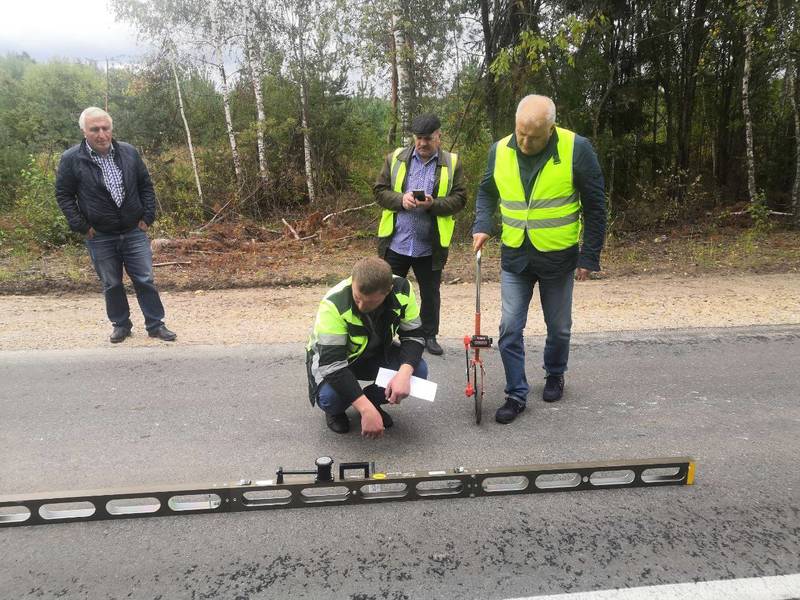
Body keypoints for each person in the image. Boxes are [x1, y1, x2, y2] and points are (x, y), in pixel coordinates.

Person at [472, 94, 606, 424]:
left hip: (558, 257)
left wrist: (589, 254)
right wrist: (482, 224)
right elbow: (487, 192)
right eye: (520, 133)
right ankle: (516, 394)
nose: (525, 141)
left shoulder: (577, 149)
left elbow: (595, 205)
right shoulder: (500, 150)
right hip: (516, 255)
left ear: (550, 128)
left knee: (559, 329)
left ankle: (555, 373)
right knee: (509, 329)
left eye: (533, 135)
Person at [55, 107, 176, 343]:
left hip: (133, 231)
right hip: (99, 235)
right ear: (84, 131)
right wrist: (82, 226)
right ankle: (121, 325)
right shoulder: (71, 159)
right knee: (111, 283)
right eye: (94, 129)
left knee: (145, 279)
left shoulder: (129, 152)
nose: (101, 134)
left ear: (111, 128)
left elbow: (145, 186)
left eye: (105, 128)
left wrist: (148, 217)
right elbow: (64, 195)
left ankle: (155, 324)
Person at [374, 113, 467, 356]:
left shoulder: (452, 163)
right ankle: (385, 336)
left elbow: (460, 199)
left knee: (430, 294)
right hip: (396, 243)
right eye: (418, 138)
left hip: (430, 245)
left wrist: (433, 204)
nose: (423, 143)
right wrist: (400, 199)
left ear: (439, 136)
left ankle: (429, 335)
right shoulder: (394, 158)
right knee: (388, 291)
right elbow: (380, 191)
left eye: (428, 138)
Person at [306, 256, 428, 437]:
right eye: (357, 299)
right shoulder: (333, 304)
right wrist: (365, 410)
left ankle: (372, 399)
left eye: (371, 302)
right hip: (335, 363)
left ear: (388, 291)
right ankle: (338, 411)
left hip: (375, 353)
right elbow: (332, 366)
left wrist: (404, 373)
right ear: (353, 281)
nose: (362, 306)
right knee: (331, 399)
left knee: (418, 371)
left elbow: (414, 336)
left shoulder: (402, 289)